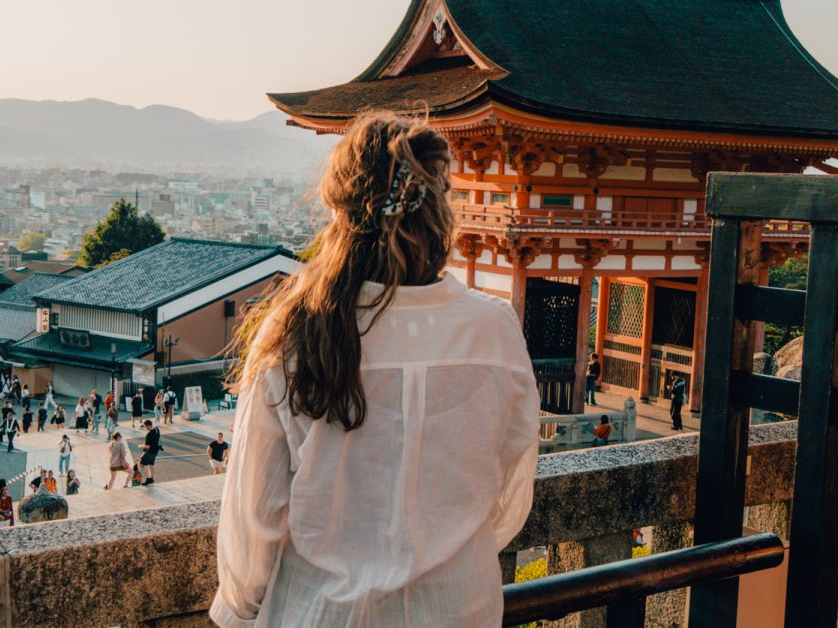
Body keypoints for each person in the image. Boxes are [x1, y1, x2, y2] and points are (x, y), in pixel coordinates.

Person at [209, 113, 541, 627]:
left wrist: (237, 610)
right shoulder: (493, 330)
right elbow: (509, 484)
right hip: (459, 611)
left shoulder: (297, 331)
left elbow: (255, 517)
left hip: (322, 614)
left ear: (342, 212)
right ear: (439, 212)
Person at [138, 421, 163, 485]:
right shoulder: (157, 429)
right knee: (150, 464)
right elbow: (159, 438)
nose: (146, 428)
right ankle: (151, 478)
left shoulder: (149, 434)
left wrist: (140, 446)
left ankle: (148, 478)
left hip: (150, 451)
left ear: (148, 426)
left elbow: (147, 446)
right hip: (156, 450)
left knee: (140, 465)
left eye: (146, 426)